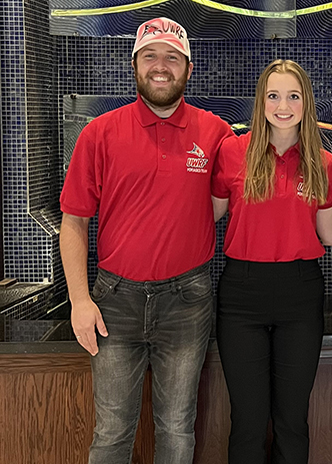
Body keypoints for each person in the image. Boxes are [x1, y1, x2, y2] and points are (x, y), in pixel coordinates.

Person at [59, 17, 234, 463]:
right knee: (112, 431)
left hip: (187, 298)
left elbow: (248, 183)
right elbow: (74, 222)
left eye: (172, 58)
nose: (161, 66)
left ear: (188, 69)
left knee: (178, 428)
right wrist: (80, 301)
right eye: (151, 56)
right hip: (115, 299)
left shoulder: (215, 133)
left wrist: (321, 164)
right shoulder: (99, 133)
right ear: (135, 64)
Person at [211, 59, 332, 464]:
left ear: (306, 102)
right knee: (248, 421)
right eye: (273, 95)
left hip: (300, 293)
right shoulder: (233, 152)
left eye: (293, 95)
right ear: (261, 101)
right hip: (241, 294)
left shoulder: (321, 162)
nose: (283, 105)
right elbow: (207, 215)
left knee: (292, 420)